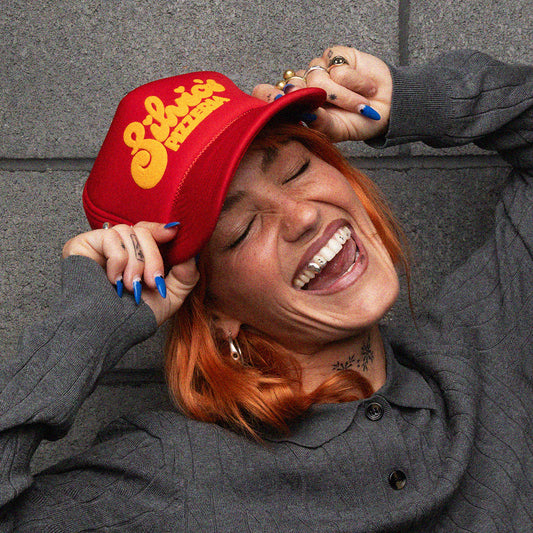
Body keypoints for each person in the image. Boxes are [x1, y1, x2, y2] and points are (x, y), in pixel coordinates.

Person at [0, 45, 531, 532]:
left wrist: (412, 101)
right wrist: (85, 328)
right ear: (214, 314)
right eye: (242, 229)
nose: (301, 216)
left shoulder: (490, 338)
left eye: (297, 169)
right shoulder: (175, 477)